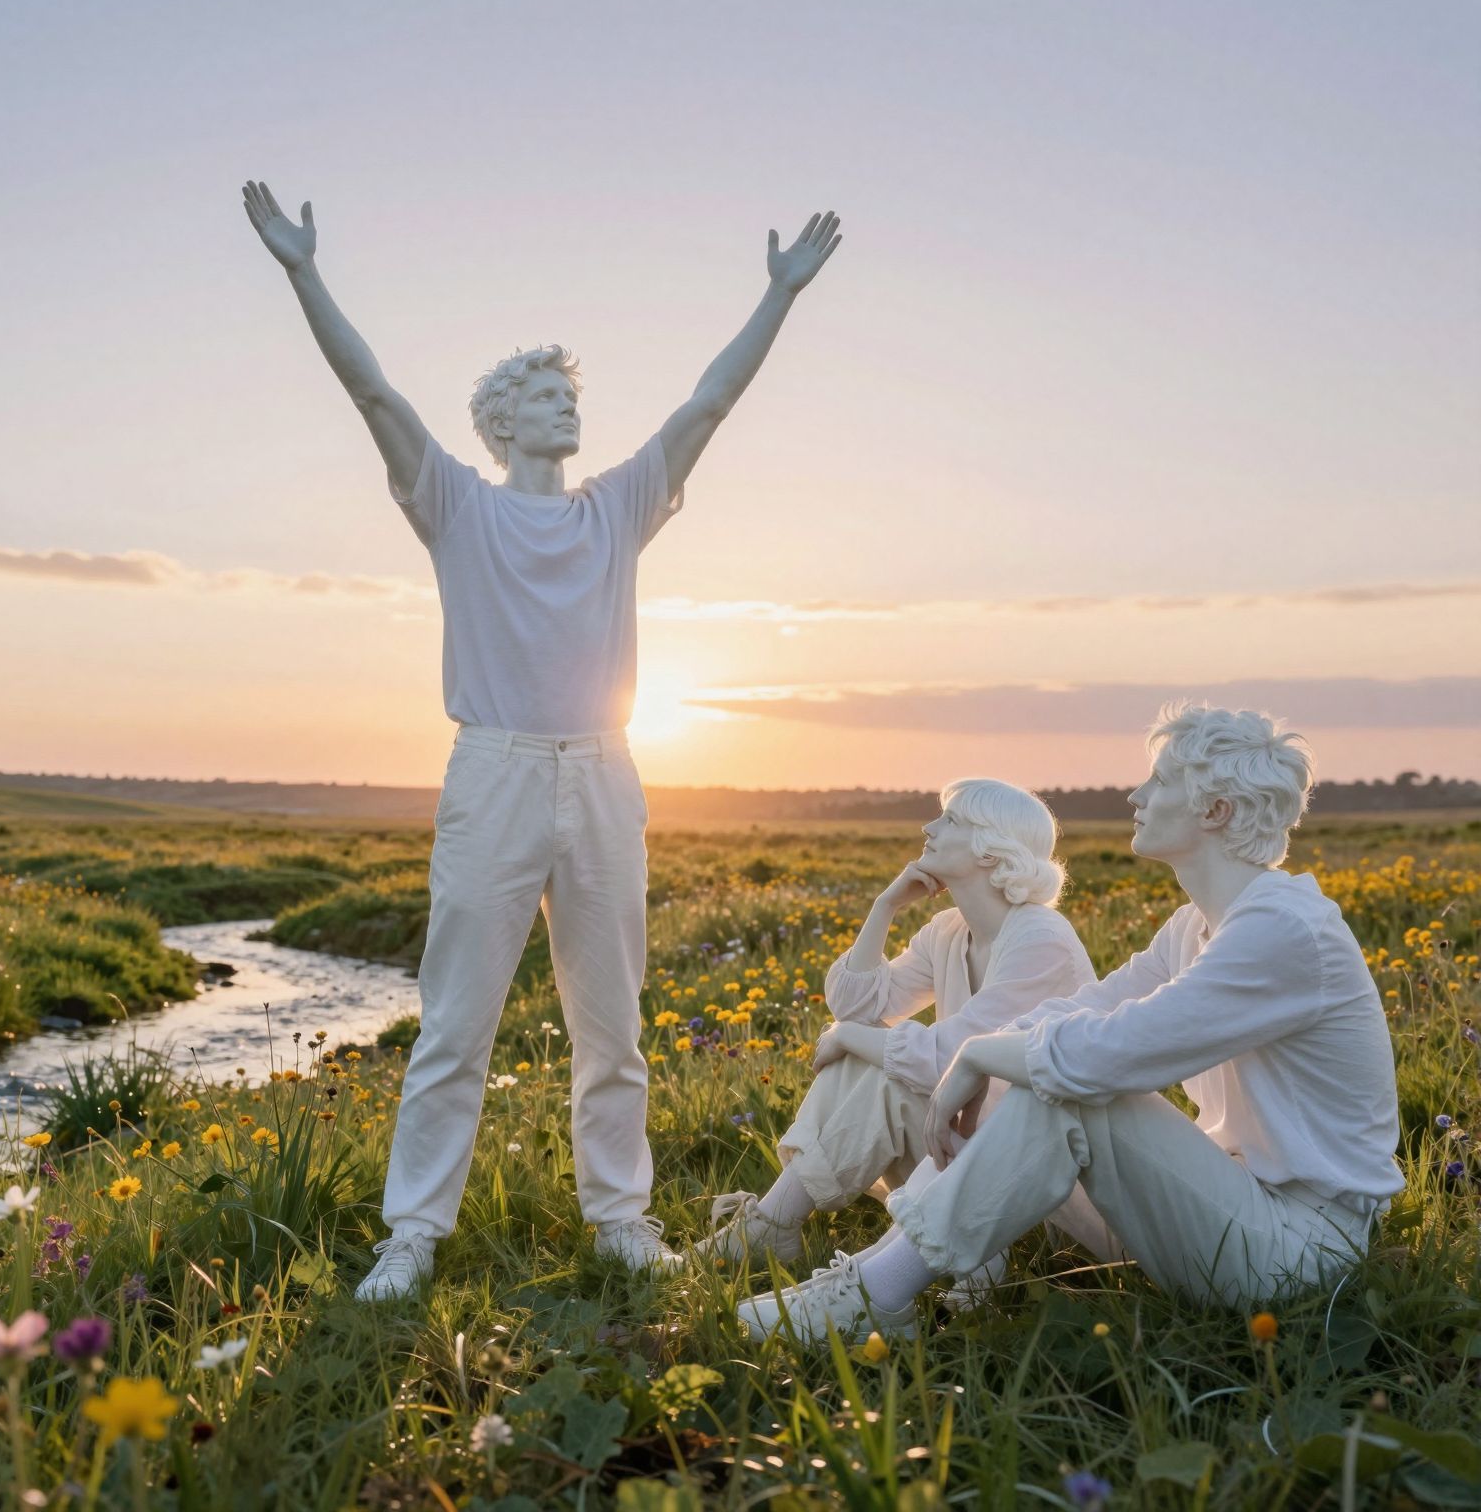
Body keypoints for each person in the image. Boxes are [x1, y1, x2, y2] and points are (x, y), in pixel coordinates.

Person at [240, 179, 844, 1300]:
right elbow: (370, 390)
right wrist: (300, 269)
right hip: (496, 771)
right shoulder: (455, 505)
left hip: (606, 774)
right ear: (498, 422)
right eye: (542, 393)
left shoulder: (614, 508)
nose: (566, 406)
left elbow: (707, 406)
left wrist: (778, 297)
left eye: (569, 392)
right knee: (453, 1025)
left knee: (610, 1028)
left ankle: (620, 1219)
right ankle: (411, 1235)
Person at [739, 703, 1402, 1346]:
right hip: (1218, 1208)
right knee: (1045, 1069)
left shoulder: (1283, 930)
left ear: (1216, 811)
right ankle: (877, 1283)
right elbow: (1088, 1008)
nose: (1136, 795)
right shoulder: (1195, 927)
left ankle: (870, 1296)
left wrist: (974, 1060)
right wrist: (985, 1052)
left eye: (1162, 780)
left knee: (1068, 1087)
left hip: (1299, 1253)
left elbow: (1113, 1051)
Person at [694, 778, 1103, 1304]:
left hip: (1039, 1172)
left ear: (990, 847)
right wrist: (884, 906)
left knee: (874, 1061)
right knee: (863, 1059)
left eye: (949, 820)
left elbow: (945, 1059)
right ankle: (776, 1222)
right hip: (964, 1140)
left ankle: (780, 1228)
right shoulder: (949, 930)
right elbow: (857, 1003)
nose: (929, 828)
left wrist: (847, 1035)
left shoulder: (1040, 941)